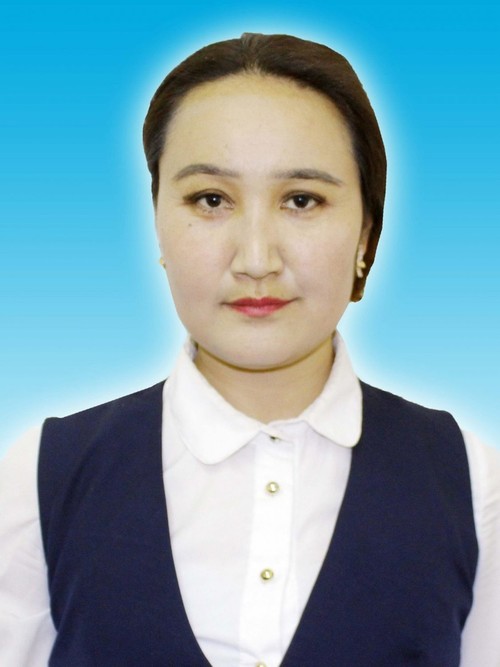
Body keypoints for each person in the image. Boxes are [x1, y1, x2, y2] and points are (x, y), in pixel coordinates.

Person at [0, 32, 499, 667]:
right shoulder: (41, 477)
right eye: (211, 200)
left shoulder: (472, 483)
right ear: (157, 221)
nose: (257, 259)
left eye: (302, 200)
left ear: (365, 233)